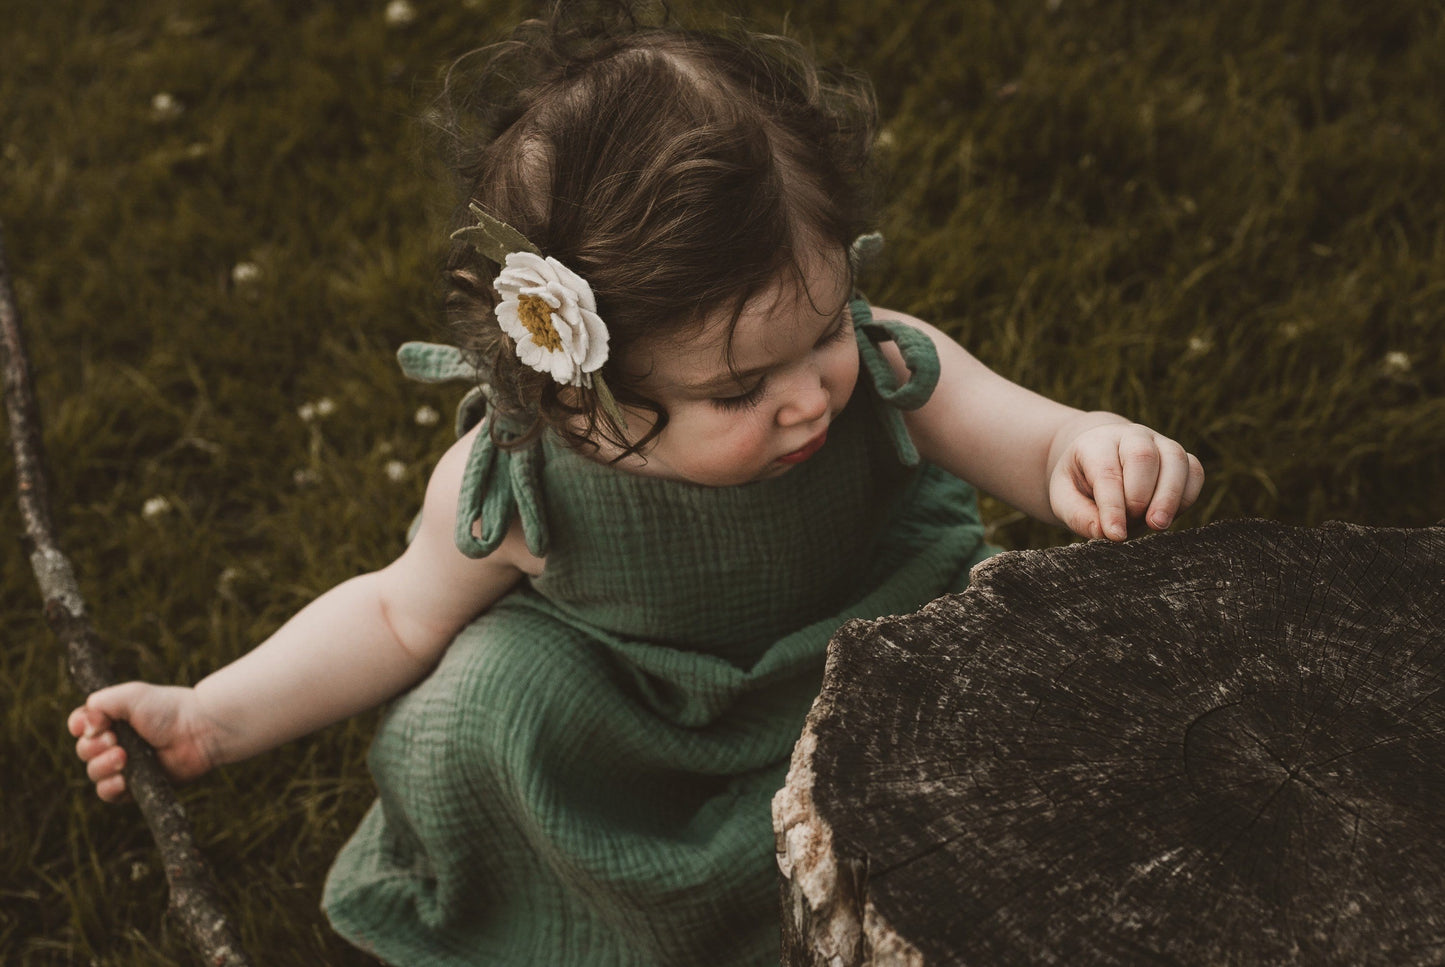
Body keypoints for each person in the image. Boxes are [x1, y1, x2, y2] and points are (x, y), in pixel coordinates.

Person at [68, 4, 1204, 964]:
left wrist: (1091, 452)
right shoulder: (516, 478)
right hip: (633, 733)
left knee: (1018, 680)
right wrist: (212, 716)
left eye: (819, 333)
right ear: (577, 393)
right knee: (476, 702)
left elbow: (1036, 443)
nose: (808, 396)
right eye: (738, 389)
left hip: (869, 663)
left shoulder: (888, 361)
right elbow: (389, 613)